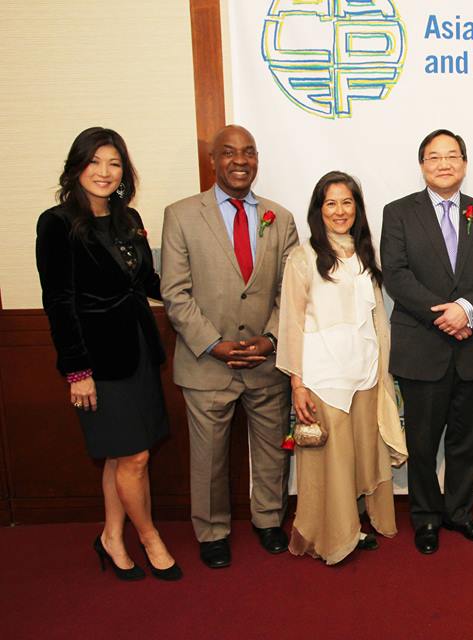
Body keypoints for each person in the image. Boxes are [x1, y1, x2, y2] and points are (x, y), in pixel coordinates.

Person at [36, 127, 181, 581]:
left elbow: (146, 281)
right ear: (76, 167)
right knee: (134, 458)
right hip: (96, 362)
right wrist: (76, 370)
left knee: (122, 456)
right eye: (94, 162)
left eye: (113, 163)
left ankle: (112, 536)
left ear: (124, 172)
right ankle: (150, 537)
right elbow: (58, 303)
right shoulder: (57, 223)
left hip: (138, 349)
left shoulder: (126, 217)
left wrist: (193, 293)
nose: (104, 172)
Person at [161, 125, 299, 569]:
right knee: (208, 458)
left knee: (272, 450)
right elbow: (175, 293)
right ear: (213, 160)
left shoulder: (281, 217)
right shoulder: (181, 215)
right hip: (207, 364)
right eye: (229, 152)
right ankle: (212, 531)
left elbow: (291, 291)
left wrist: (272, 338)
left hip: (265, 361)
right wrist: (213, 344)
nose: (240, 160)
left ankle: (269, 520)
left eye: (249, 152)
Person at [380, 129, 473, 555]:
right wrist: (445, 316)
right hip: (422, 348)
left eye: (452, 156)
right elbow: (396, 275)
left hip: (471, 348)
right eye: (434, 157)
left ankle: (460, 513)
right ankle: (426, 518)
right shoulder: (398, 212)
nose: (444, 164)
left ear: (464, 164)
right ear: (422, 165)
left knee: (466, 441)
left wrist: (466, 310)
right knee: (423, 443)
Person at [276, 171, 407, 564]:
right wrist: (298, 385)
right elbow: (291, 324)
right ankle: (332, 537)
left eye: (347, 202)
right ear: (318, 210)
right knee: (330, 465)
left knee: (359, 457)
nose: (339, 211)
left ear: (357, 208)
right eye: (330, 203)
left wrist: (383, 374)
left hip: (365, 373)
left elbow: (375, 319)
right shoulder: (303, 258)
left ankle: (355, 525)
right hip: (324, 378)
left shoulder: (365, 254)